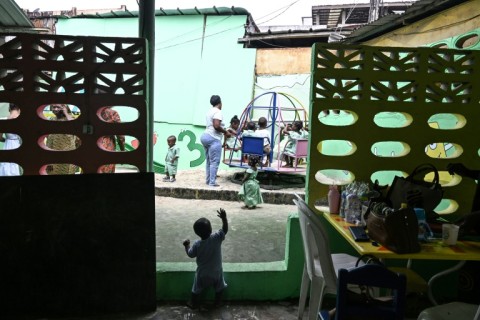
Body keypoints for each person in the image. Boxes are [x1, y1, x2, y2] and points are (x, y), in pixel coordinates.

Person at [183, 208, 228, 309]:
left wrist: (186, 246)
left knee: (196, 287)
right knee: (219, 287)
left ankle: (193, 303)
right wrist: (224, 219)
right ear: (211, 229)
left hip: (202, 273)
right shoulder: (216, 237)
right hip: (216, 271)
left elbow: (190, 254)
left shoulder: (197, 244)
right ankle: (217, 302)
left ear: (197, 233)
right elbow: (224, 230)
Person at [200, 95, 231, 187]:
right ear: (220, 102)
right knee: (214, 162)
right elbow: (216, 125)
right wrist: (226, 132)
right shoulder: (218, 112)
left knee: (209, 161)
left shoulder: (210, 111)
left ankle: (208, 180)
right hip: (213, 138)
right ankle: (212, 183)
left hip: (205, 136)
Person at [45, 104, 79, 175]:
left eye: (58, 107)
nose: (56, 109)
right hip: (54, 157)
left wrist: (66, 113)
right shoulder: (52, 120)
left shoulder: (69, 118)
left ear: (64, 108)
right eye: (54, 107)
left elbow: (74, 126)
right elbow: (49, 140)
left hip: (67, 156)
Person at [98, 106, 126, 173]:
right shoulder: (113, 113)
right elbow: (120, 135)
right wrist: (122, 150)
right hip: (108, 147)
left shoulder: (92, 112)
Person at [0, 104, 22, 176]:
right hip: (18, 144)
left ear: (9, 109)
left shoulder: (3, 120)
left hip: (7, 144)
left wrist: (6, 140)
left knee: (6, 165)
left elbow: (0, 137)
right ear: (19, 109)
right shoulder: (22, 120)